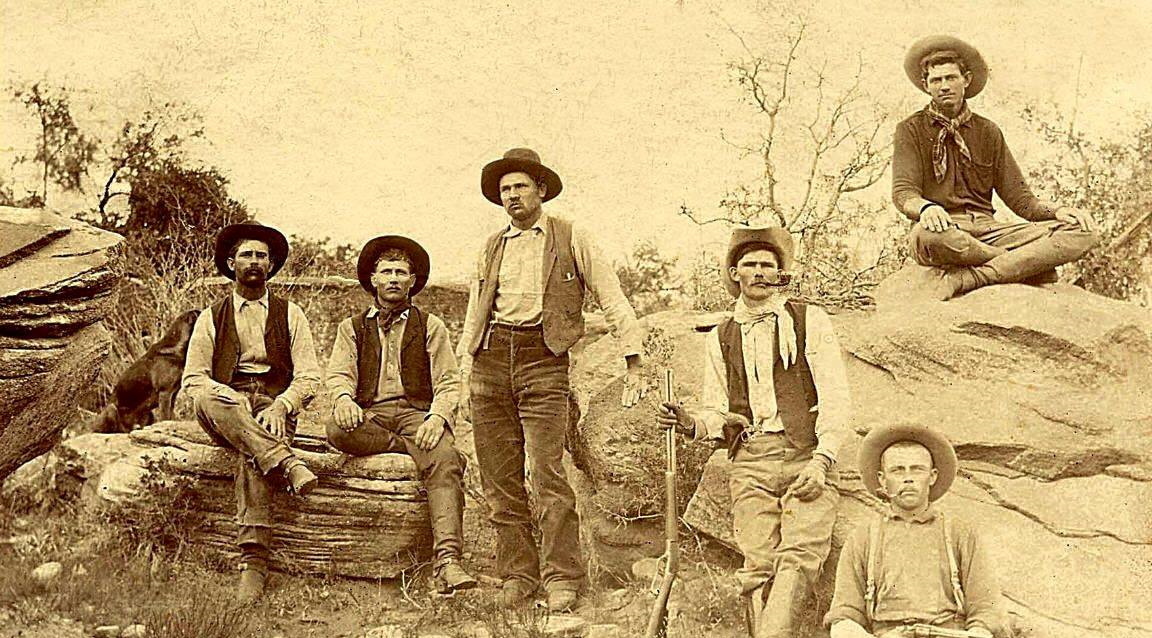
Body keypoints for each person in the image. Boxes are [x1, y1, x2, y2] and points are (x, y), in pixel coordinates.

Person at [457, 148, 646, 612]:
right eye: (505, 189)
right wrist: (465, 372)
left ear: (540, 190)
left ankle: (563, 576)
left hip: (543, 360)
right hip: (490, 361)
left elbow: (610, 295)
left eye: (521, 186)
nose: (513, 195)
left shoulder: (572, 236)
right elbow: (475, 312)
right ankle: (517, 575)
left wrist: (634, 359)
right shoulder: (491, 246)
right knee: (499, 478)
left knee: (547, 473)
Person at [658, 226, 851, 638]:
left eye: (768, 264)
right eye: (750, 265)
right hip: (750, 459)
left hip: (805, 453)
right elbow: (718, 411)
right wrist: (691, 423)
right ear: (735, 274)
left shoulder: (808, 320)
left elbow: (836, 396)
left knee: (801, 555)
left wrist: (822, 462)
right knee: (758, 563)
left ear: (781, 274)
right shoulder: (722, 335)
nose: (760, 272)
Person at [892, 35, 1099, 300]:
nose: (944, 86)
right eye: (936, 80)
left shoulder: (988, 131)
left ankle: (972, 277)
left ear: (966, 80)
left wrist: (1058, 211)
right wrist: (926, 208)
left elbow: (1022, 200)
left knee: (1083, 231)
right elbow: (904, 192)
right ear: (926, 85)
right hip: (945, 231)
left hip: (990, 230)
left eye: (951, 78)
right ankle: (1020, 264)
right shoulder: (910, 129)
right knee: (926, 236)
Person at [324, 235, 477, 594]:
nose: (393, 278)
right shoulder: (352, 327)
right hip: (372, 415)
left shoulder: (431, 325)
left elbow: (449, 380)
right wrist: (344, 400)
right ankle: (406, 446)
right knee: (337, 430)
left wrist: (437, 419)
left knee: (445, 458)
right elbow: (339, 374)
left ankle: (448, 561)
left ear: (412, 281)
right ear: (373, 279)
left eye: (401, 272)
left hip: (416, 414)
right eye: (386, 272)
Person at [182, 221, 322, 602]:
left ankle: (253, 562)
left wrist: (283, 405)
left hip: (273, 405)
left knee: (252, 452)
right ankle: (287, 463)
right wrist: (230, 397)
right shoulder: (211, 317)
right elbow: (194, 380)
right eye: (247, 255)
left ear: (271, 265)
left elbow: (310, 377)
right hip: (227, 405)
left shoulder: (291, 314)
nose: (255, 261)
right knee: (210, 399)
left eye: (262, 256)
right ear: (232, 263)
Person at [824, 424, 1003, 638]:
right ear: (882, 479)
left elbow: (986, 608)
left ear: (932, 476)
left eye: (917, 469)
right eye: (898, 470)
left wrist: (979, 630)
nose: (908, 478)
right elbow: (845, 612)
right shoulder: (863, 538)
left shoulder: (960, 534)